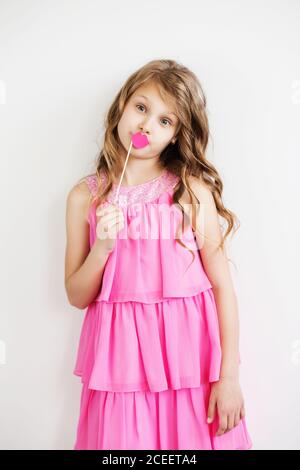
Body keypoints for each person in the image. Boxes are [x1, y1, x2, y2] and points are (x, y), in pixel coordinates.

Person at [65, 59, 253, 450]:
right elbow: (76, 295)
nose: (147, 125)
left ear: (176, 136)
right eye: (141, 107)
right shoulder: (85, 197)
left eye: (165, 121)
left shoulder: (190, 191)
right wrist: (102, 246)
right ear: (121, 107)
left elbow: (222, 287)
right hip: (122, 373)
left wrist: (229, 376)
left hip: (192, 371)